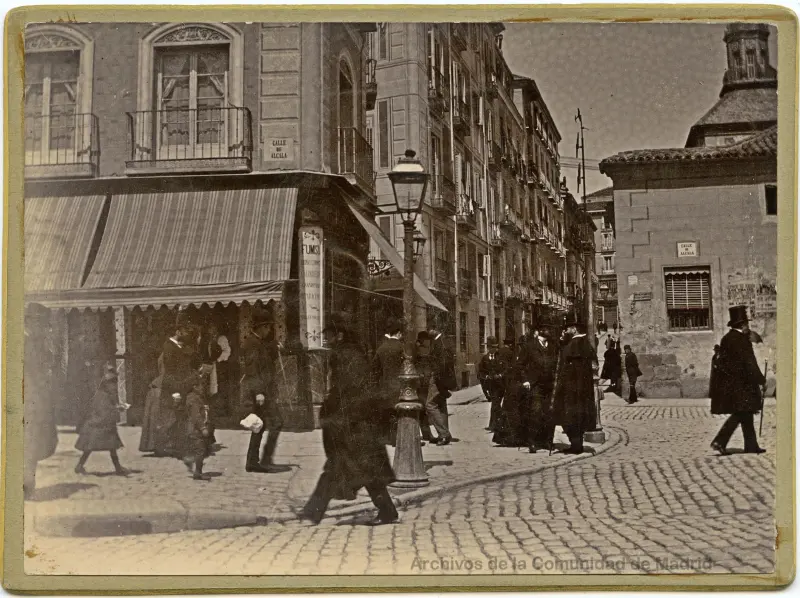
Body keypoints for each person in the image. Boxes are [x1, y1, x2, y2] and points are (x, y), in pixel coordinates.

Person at [302, 313, 399, 525]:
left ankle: (312, 513)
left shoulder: (345, 356)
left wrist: (334, 414)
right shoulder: (351, 353)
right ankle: (387, 511)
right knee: (364, 472)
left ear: (339, 335)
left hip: (353, 424)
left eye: (328, 335)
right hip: (357, 423)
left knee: (346, 469)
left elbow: (348, 390)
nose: (326, 339)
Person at [710, 306, 767, 455]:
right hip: (743, 384)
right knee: (740, 414)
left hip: (732, 384)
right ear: (742, 325)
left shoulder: (727, 338)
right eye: (746, 324)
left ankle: (752, 446)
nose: (748, 326)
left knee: (746, 414)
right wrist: (761, 379)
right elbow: (750, 362)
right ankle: (719, 441)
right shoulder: (742, 340)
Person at [240, 311, 288, 473]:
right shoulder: (252, 344)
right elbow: (252, 370)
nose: (269, 330)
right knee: (273, 422)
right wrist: (259, 392)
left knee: (261, 425)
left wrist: (274, 347)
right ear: (260, 327)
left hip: (265, 391)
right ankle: (260, 459)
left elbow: (266, 361)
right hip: (259, 392)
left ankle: (253, 461)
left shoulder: (259, 342)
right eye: (267, 327)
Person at [23, 305, 58, 499]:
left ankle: (28, 487)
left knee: (33, 444)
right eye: (43, 325)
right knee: (28, 445)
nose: (46, 329)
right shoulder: (24, 343)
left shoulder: (36, 343)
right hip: (27, 402)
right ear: (31, 322)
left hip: (34, 402)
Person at [155, 313, 200, 457]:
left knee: (178, 418)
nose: (187, 335)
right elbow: (169, 371)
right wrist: (175, 392)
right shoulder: (169, 346)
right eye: (185, 332)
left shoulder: (179, 346)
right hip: (173, 388)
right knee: (172, 419)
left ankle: (177, 448)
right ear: (178, 332)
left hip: (180, 386)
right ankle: (167, 448)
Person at [551, 316, 598, 454]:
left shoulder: (573, 345)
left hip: (571, 389)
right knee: (580, 416)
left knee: (570, 417)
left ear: (574, 329)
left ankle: (576, 445)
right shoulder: (585, 343)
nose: (565, 330)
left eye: (568, 328)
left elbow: (564, 368)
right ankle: (578, 444)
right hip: (583, 388)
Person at [75, 362, 129, 476]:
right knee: (103, 446)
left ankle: (80, 466)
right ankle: (80, 466)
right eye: (112, 383)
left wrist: (117, 407)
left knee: (104, 446)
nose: (114, 386)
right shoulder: (102, 396)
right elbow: (104, 412)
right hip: (101, 426)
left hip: (101, 426)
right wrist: (118, 409)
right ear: (106, 383)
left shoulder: (103, 394)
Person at [517, 327, 559, 453]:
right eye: (546, 328)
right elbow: (520, 365)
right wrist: (525, 380)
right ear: (540, 330)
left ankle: (547, 441)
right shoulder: (529, 346)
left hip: (550, 385)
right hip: (535, 385)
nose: (549, 331)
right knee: (535, 412)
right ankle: (532, 442)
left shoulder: (552, 346)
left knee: (549, 413)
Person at [372, 317, 405, 445]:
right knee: (400, 413)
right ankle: (399, 439)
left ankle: (390, 438)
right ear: (398, 333)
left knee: (389, 412)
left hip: (385, 386)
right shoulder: (401, 347)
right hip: (400, 385)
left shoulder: (381, 348)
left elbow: (375, 369)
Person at [427, 323, 457, 445]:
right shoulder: (445, 341)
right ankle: (445, 434)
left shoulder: (439, 344)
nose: (428, 333)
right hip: (444, 380)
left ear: (435, 329)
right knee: (441, 406)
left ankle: (444, 434)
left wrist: (439, 381)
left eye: (429, 329)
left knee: (430, 405)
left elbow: (442, 365)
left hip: (439, 379)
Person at [180, 370, 213, 480]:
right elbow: (195, 415)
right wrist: (203, 428)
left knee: (200, 449)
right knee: (200, 450)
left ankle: (190, 460)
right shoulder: (193, 398)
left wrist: (205, 408)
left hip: (196, 429)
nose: (202, 388)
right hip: (195, 429)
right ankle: (197, 473)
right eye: (200, 386)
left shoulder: (198, 397)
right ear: (194, 387)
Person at [478, 337, 510, 433]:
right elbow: (480, 372)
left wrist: (500, 375)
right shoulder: (484, 358)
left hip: (500, 385)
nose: (494, 349)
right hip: (490, 386)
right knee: (495, 404)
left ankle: (494, 425)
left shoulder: (500, 357)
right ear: (488, 348)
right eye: (492, 347)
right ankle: (499, 423)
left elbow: (506, 369)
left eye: (495, 347)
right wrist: (486, 377)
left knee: (495, 404)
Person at [414, 331, 435, 442]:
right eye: (427, 339)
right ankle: (424, 434)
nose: (429, 341)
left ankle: (426, 434)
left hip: (426, 383)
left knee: (423, 409)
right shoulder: (419, 350)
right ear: (422, 340)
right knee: (421, 409)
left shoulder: (427, 349)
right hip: (420, 383)